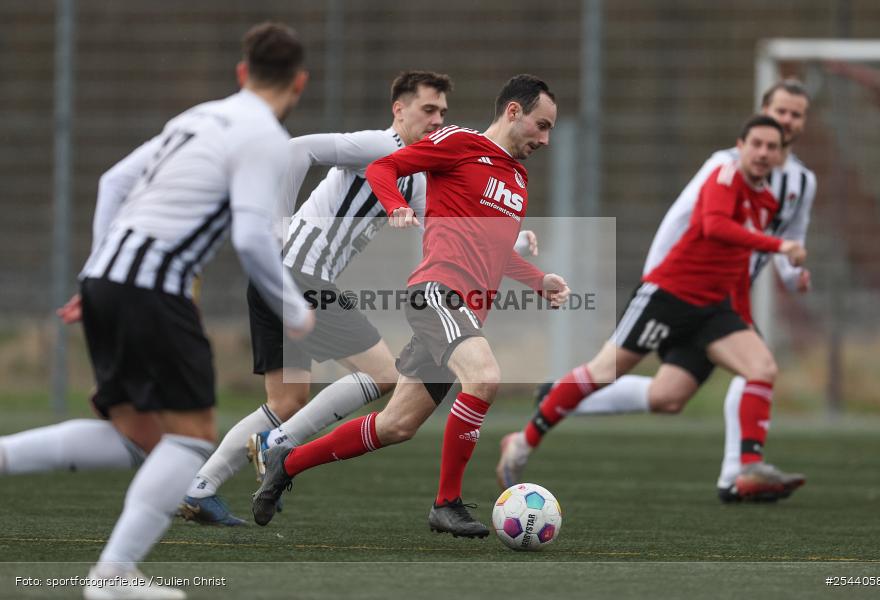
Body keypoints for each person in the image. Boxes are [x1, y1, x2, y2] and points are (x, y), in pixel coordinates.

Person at [251, 74, 570, 538]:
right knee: (484, 378)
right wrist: (396, 204)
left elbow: (494, 252)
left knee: (396, 425)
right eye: (541, 126)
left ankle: (288, 461)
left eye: (550, 131)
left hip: (464, 312)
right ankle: (447, 503)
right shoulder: (458, 142)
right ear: (513, 112)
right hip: (438, 294)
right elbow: (385, 168)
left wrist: (538, 279)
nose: (545, 139)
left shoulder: (517, 179)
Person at [59, 23, 312, 600]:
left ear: (242, 73)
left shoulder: (196, 117)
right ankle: (113, 575)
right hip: (154, 291)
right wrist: (293, 307)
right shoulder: (266, 136)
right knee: (193, 437)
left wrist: (99, 269)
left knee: (135, 436)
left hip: (106, 278)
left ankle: (112, 573)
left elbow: (112, 180)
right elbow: (251, 238)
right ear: (299, 84)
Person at [497, 115, 808, 506]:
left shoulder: (767, 203)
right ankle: (523, 441)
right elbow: (714, 227)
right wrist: (777, 246)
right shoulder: (725, 178)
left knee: (734, 376)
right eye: (757, 144)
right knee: (602, 371)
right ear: (741, 146)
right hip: (668, 296)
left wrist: (743, 317)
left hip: (713, 310)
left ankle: (749, 469)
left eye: (772, 147)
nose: (763, 153)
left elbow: (739, 270)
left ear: (780, 156)